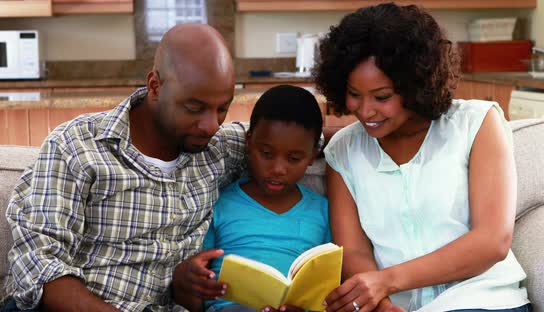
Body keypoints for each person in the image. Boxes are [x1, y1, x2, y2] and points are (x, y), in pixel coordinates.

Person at [4, 24, 245, 312]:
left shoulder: (220, 148)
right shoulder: (76, 145)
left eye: (223, 108)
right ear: (155, 86)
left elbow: (296, 136)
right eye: (194, 108)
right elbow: (38, 265)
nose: (211, 125)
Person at [314, 3, 531, 312]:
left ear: (415, 85)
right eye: (354, 94)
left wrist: (387, 281)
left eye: (382, 97)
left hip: (483, 299)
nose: (365, 110)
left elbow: (492, 241)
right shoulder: (343, 151)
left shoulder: (477, 123)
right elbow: (355, 253)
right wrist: (383, 305)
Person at [200, 85, 330, 312]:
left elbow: (326, 285)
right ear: (249, 142)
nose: (278, 169)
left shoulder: (322, 210)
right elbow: (200, 275)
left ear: (312, 156)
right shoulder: (220, 202)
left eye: (294, 158)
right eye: (267, 154)